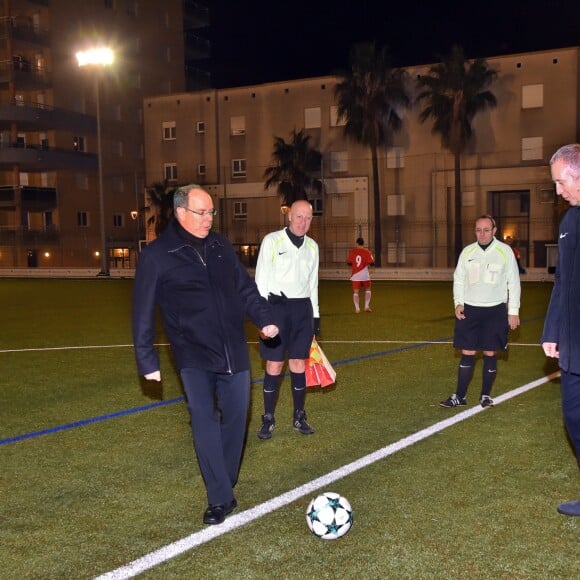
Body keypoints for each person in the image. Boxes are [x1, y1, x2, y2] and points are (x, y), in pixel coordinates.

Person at [132, 184, 279, 526]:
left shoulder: (221, 246)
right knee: (203, 417)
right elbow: (142, 312)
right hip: (192, 353)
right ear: (181, 212)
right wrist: (147, 360)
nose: (208, 219)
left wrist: (265, 319)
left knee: (236, 417)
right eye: (202, 212)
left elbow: (245, 289)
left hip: (233, 350)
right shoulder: (157, 255)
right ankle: (219, 497)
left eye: (212, 212)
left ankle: (224, 479)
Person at [440, 214, 521, 409]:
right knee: (467, 351)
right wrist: (458, 303)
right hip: (470, 309)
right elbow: (458, 278)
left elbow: (514, 282)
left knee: (489, 352)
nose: (482, 234)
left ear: (494, 231)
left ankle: (485, 395)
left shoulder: (504, 251)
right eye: (478, 230)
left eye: (486, 230)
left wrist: (513, 311)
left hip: (495, 310)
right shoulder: (467, 252)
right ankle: (459, 396)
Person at [254, 200, 320, 439]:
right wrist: (262, 316)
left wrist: (316, 316)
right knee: (274, 365)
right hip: (276, 310)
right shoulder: (272, 241)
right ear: (289, 216)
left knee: (298, 364)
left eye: (308, 218)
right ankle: (268, 418)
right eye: (299, 217)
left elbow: (313, 284)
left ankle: (299, 416)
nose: (303, 222)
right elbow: (261, 281)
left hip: (302, 309)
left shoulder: (313, 247)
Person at [541, 143, 580, 517]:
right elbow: (562, 281)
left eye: (560, 181)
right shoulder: (569, 222)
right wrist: (551, 330)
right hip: (572, 347)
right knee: (573, 418)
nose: (558, 190)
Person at [346, 237, 375, 313]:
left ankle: (357, 309)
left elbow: (348, 263)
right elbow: (372, 263)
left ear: (357, 243)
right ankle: (366, 306)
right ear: (363, 243)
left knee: (356, 292)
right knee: (368, 290)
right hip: (365, 275)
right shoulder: (367, 252)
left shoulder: (352, 251)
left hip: (355, 275)